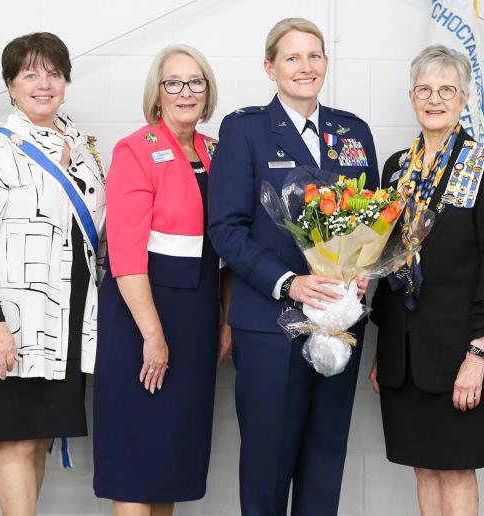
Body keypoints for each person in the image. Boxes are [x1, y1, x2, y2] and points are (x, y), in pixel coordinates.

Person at [208, 17, 378, 516]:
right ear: (270, 67)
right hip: (269, 325)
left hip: (340, 323)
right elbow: (226, 228)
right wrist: (290, 284)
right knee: (266, 462)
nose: (305, 67)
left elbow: (371, 221)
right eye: (292, 57)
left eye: (314, 56)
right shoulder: (245, 130)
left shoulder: (353, 131)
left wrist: (364, 269)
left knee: (325, 460)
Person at [0, 32, 106, 516]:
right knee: (17, 442)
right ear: (10, 86)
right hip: (13, 324)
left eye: (53, 73)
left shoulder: (81, 149)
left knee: (37, 441)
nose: (43, 83)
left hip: (66, 324)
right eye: (30, 74)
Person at [368, 44, 484, 515]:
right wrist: (384, 352)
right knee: (424, 469)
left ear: (464, 99)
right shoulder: (395, 169)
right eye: (425, 89)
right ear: (411, 96)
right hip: (405, 356)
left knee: (455, 468)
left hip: (460, 353)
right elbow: (387, 263)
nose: (435, 99)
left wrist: (478, 354)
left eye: (446, 90)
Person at [93, 44, 226, 516]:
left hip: (196, 313)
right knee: (135, 458)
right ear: (158, 93)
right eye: (174, 82)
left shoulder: (215, 151)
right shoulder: (134, 150)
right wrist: (152, 335)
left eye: (196, 82)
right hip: (142, 312)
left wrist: (224, 319)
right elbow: (126, 256)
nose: (185, 92)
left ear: (207, 92)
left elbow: (226, 248)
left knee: (171, 457)